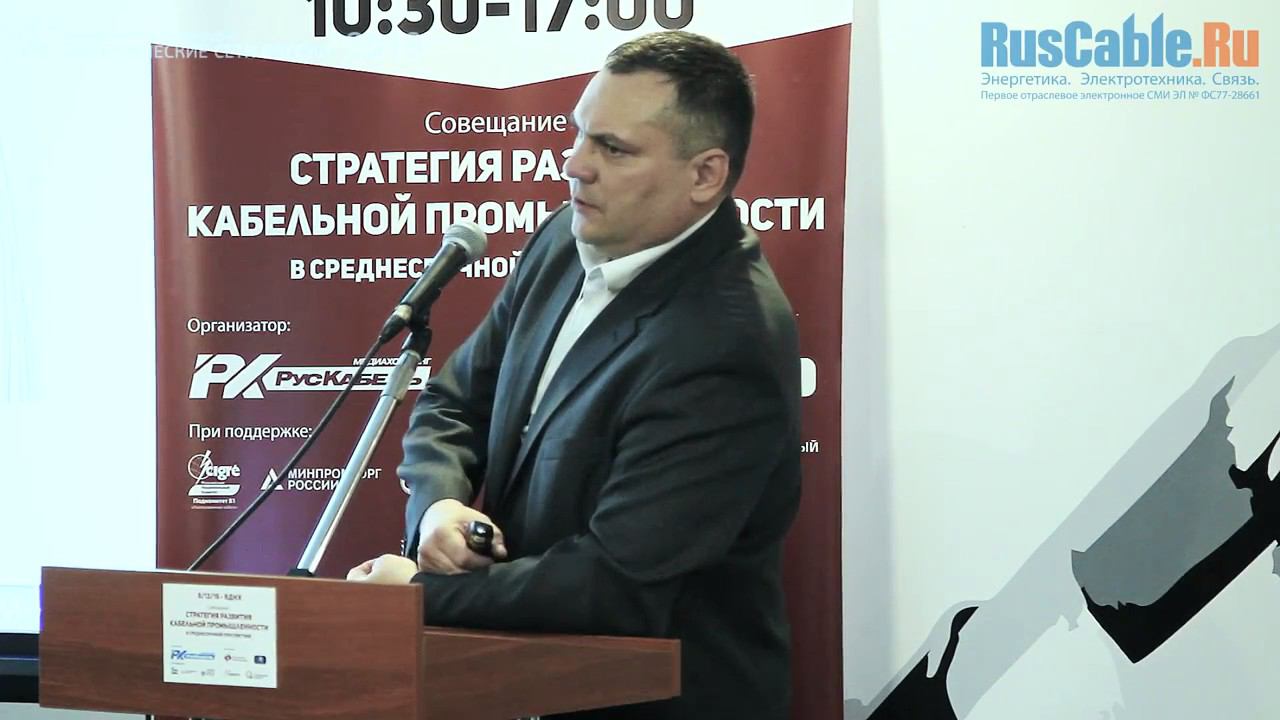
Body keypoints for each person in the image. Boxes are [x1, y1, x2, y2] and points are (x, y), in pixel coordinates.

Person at [348, 30, 801, 719]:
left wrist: (415, 595)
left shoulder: (728, 341)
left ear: (705, 175)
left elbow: (612, 584)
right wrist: (439, 506)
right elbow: (455, 401)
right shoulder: (566, 237)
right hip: (526, 682)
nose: (575, 165)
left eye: (613, 149)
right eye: (579, 133)